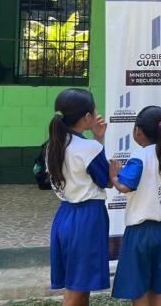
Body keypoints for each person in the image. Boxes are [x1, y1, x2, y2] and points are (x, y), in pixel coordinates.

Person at [110, 106, 161, 305]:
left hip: (142, 232)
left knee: (139, 289)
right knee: (156, 286)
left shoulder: (140, 156)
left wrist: (113, 176)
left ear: (138, 131)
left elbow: (125, 186)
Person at [46, 89, 110, 304]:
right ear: (87, 118)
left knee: (78, 285)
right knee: (78, 288)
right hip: (87, 218)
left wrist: (97, 138)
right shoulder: (88, 147)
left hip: (65, 214)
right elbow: (106, 180)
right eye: (94, 110)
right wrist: (99, 139)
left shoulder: (54, 145)